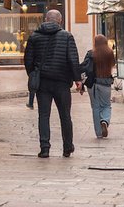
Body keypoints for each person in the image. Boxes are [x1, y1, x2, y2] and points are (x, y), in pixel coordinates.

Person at [23, 9, 83, 157]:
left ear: (45, 19)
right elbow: (73, 60)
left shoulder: (34, 36)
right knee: (65, 115)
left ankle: (45, 148)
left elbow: (28, 60)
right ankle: (67, 147)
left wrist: (33, 74)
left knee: (43, 115)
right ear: (60, 21)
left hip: (42, 82)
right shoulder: (67, 36)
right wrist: (77, 79)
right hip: (62, 82)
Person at [87, 35, 117, 139]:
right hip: (106, 83)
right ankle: (104, 121)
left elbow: (85, 67)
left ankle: (98, 133)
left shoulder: (91, 53)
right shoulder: (109, 53)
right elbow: (113, 65)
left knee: (95, 107)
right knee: (106, 105)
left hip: (93, 84)